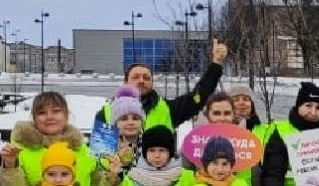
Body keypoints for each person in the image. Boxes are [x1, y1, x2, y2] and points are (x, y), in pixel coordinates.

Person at [94, 40, 228, 131]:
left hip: (159, 173)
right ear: (125, 82)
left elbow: (200, 95)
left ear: (152, 83)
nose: (141, 80)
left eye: (146, 78)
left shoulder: (168, 109)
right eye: (135, 77)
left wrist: (216, 64)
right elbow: (100, 155)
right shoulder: (106, 113)